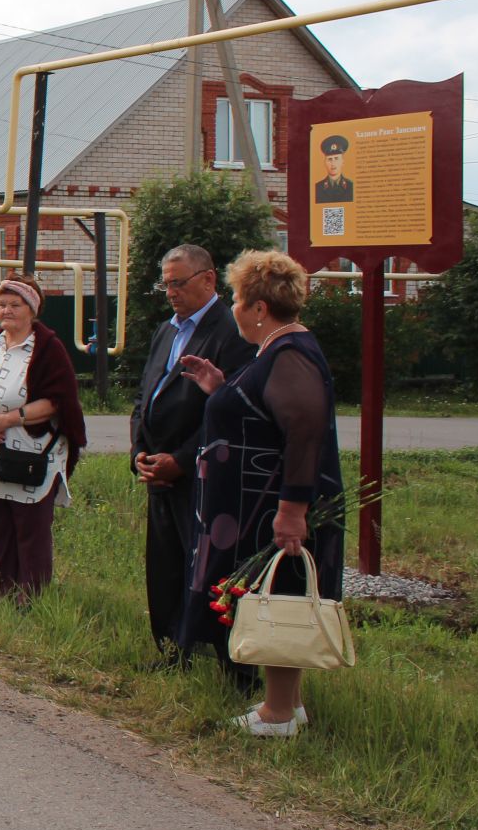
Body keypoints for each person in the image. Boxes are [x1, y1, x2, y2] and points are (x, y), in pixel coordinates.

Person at [177, 250, 346, 737]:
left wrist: (292, 510)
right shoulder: (275, 351)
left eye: (236, 298)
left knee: (282, 594)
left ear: (258, 308)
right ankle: (286, 705)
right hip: (255, 501)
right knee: (277, 593)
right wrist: (222, 389)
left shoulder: (291, 354)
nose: (233, 308)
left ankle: (277, 714)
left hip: (273, 503)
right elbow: (265, 415)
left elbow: (305, 430)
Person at [130, 245, 254, 665]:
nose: (170, 292)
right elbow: (144, 395)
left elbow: (224, 410)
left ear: (207, 279)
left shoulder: (230, 331)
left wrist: (180, 461)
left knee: (203, 567)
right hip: (158, 469)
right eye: (165, 283)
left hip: (201, 474)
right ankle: (170, 651)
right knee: (164, 567)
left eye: (178, 282)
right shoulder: (167, 330)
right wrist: (140, 453)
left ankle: (219, 656)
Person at [0, 273, 87, 601]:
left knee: (30, 530)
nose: (6, 311)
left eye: (15, 305)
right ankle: (2, 591)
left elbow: (59, 401)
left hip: (32, 456)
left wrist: (8, 420)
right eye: (1, 304)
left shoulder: (48, 350)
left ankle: (31, 598)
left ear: (32, 309)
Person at [314, 135, 354, 204]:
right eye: (330, 159)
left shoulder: (351, 186)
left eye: (336, 158)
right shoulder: (317, 188)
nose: (333, 163)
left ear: (343, 162)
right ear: (325, 163)